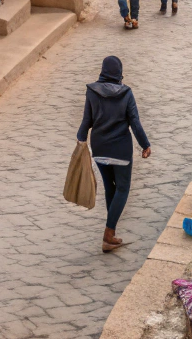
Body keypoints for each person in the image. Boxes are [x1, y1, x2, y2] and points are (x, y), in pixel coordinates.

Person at [77, 55, 151, 252]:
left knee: (110, 187)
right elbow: (134, 122)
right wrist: (145, 144)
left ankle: (111, 233)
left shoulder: (92, 91)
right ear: (119, 72)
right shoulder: (126, 93)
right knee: (123, 188)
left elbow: (86, 120)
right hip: (120, 150)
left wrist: (80, 140)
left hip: (99, 148)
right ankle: (108, 234)